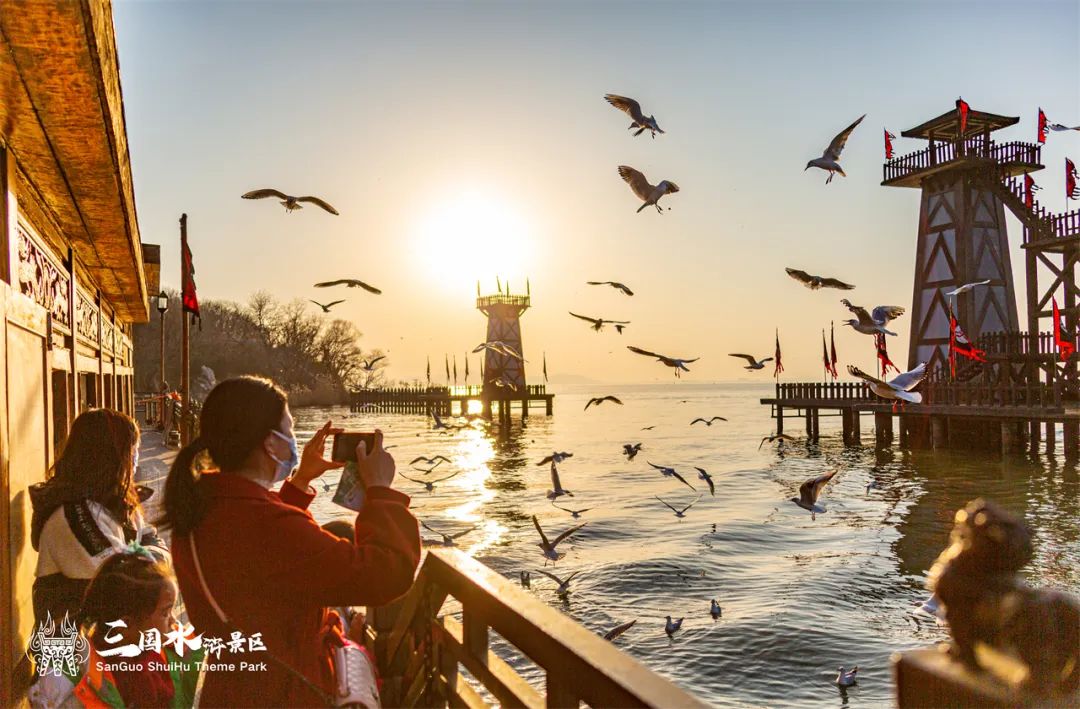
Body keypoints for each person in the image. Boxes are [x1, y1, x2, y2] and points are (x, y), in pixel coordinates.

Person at [160, 376, 420, 707]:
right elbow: (386, 573)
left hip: (234, 689)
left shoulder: (201, 508)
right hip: (286, 693)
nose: (294, 438)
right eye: (290, 428)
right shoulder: (265, 525)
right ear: (271, 443)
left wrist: (301, 481)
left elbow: (262, 557)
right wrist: (381, 491)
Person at [30, 409, 169, 628]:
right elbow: (129, 581)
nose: (135, 459)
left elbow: (149, 538)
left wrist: (146, 555)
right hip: (74, 644)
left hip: (104, 638)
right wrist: (149, 556)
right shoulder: (74, 517)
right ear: (111, 456)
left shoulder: (112, 503)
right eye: (132, 450)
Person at [74, 547, 203, 708]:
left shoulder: (163, 645)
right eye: (165, 613)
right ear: (125, 624)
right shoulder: (86, 684)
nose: (173, 620)